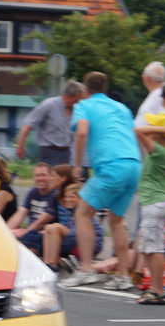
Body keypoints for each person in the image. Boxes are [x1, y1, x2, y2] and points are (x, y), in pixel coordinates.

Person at [61, 72, 144, 290]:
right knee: (116, 221)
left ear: (85, 90)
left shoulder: (84, 105)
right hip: (134, 165)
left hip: (111, 166)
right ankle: (123, 276)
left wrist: (77, 164)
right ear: (105, 88)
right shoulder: (121, 107)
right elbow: (135, 134)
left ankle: (86, 270)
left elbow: (81, 132)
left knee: (82, 214)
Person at [133, 112, 165, 304]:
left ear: (159, 133)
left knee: (154, 248)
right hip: (155, 201)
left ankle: (158, 290)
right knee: (148, 248)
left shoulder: (159, 150)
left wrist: (163, 129)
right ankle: (154, 288)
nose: (150, 129)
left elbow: (137, 130)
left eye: (154, 127)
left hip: (155, 202)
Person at [15, 81, 87, 168]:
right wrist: (20, 145)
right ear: (68, 95)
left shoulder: (77, 110)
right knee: (49, 176)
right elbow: (28, 124)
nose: (78, 103)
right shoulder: (49, 104)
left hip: (66, 153)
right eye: (77, 100)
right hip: (49, 152)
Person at [42, 181, 101, 274]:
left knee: (55, 228)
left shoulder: (84, 213)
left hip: (89, 247)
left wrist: (59, 240)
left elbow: (79, 234)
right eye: (66, 197)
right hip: (75, 241)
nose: (68, 199)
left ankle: (53, 265)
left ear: (81, 199)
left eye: (72, 197)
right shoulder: (70, 212)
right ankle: (47, 263)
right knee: (48, 228)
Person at [8, 161, 58, 253]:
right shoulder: (33, 192)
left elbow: (42, 222)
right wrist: (5, 231)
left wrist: (25, 233)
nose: (40, 178)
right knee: (8, 238)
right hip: (31, 231)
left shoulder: (55, 195)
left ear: (50, 177)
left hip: (43, 233)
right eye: (37, 175)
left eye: (43, 175)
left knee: (26, 246)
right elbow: (21, 212)